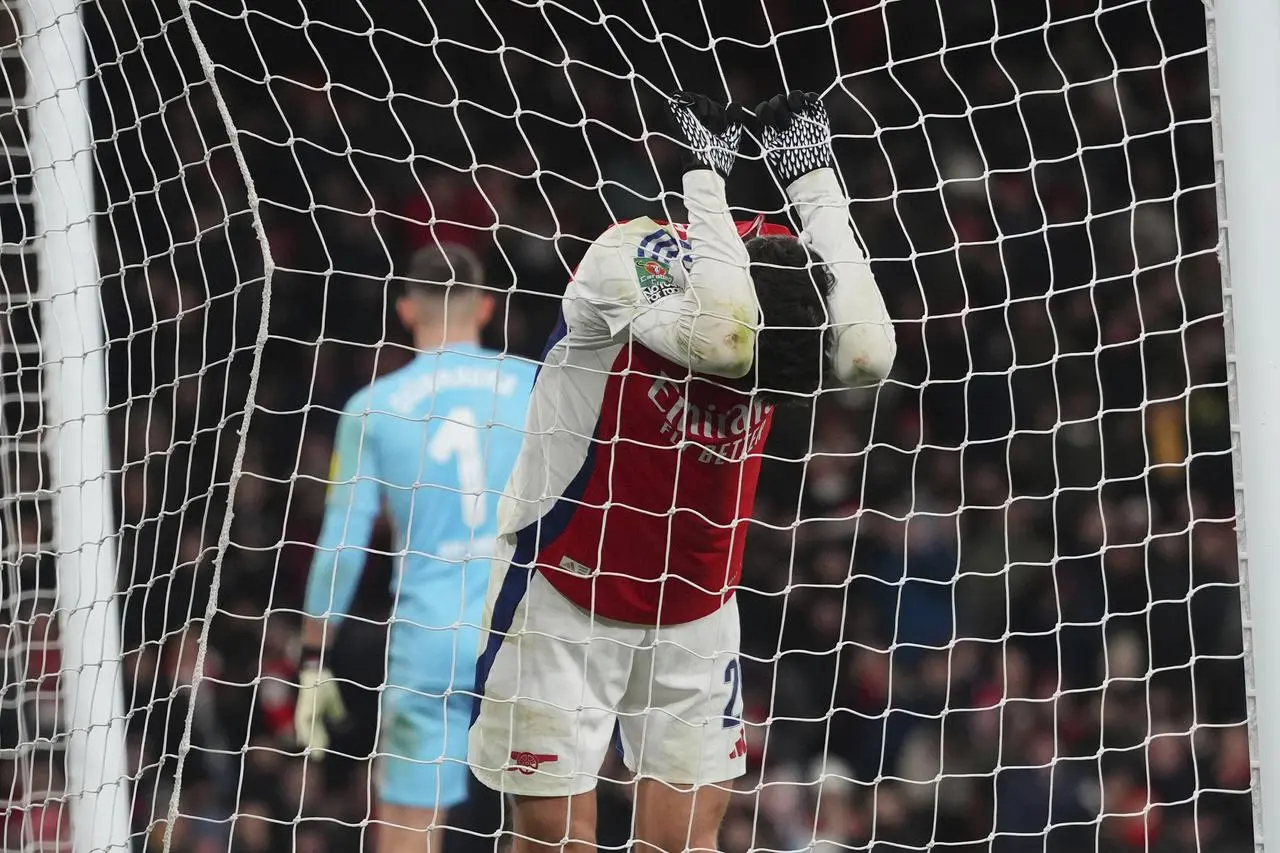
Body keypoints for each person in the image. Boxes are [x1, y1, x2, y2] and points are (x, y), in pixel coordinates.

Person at [467, 90, 896, 853]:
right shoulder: (629, 258)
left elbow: (867, 351)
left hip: (696, 609)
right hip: (566, 592)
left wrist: (815, 183)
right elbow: (727, 345)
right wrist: (704, 173)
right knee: (555, 841)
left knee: (685, 842)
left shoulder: (782, 267)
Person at [296, 243, 536, 853]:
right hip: (526, 628)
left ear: (406, 312)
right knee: (548, 817)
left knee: (406, 822)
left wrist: (312, 658)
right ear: (486, 308)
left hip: (431, 634)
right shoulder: (535, 386)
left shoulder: (372, 407)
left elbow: (341, 543)